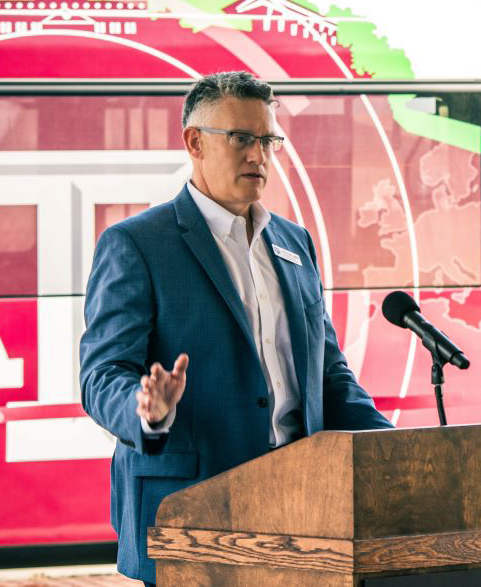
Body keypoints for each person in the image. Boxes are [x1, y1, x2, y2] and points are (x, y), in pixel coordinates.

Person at [79, 71, 393, 585]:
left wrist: (396, 449)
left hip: (303, 512)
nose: (259, 155)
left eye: (268, 139)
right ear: (195, 143)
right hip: (191, 517)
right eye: (242, 139)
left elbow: (328, 374)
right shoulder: (137, 244)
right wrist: (148, 411)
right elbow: (101, 375)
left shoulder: (294, 243)